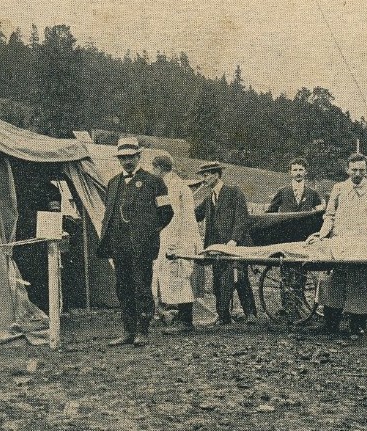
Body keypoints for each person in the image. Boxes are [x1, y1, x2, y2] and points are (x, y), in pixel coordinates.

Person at [97, 137, 174, 346]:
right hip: (119, 245)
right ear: (118, 159)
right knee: (123, 287)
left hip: (142, 247)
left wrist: (149, 233)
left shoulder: (154, 182)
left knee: (141, 286)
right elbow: (109, 213)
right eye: (122, 158)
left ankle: (143, 330)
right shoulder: (113, 183)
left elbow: (167, 213)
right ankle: (128, 331)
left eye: (130, 157)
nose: (126, 161)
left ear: (139, 156)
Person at [306, 153, 367, 337]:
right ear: (347, 169)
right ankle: (331, 323)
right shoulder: (339, 188)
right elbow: (329, 216)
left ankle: (357, 325)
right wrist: (322, 234)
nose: (358, 174)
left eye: (362, 170)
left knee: (360, 282)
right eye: (354, 170)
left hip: (362, 243)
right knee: (332, 280)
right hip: (340, 242)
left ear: (366, 170)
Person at [194, 161, 258, 324]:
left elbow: (242, 218)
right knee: (218, 280)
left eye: (206, 175)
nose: (204, 179)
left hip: (236, 245)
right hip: (217, 247)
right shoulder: (209, 198)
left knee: (238, 277)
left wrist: (234, 240)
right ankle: (223, 316)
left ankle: (250, 313)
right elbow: (194, 216)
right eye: (202, 175)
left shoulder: (234, 192)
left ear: (216, 175)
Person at [266, 157, 325, 319]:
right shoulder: (283, 192)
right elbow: (270, 214)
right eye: (295, 170)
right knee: (285, 273)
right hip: (285, 239)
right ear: (290, 172)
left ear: (305, 172)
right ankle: (286, 308)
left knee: (301, 273)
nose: (298, 173)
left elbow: (321, 214)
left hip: (304, 240)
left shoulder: (312, 194)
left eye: (301, 170)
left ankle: (298, 307)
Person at [150, 155, 202, 331]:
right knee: (172, 278)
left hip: (178, 238)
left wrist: (170, 241)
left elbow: (173, 215)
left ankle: (186, 321)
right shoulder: (175, 183)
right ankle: (179, 315)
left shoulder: (173, 186)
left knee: (179, 278)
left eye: (153, 168)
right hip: (176, 237)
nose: (152, 172)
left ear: (159, 168)